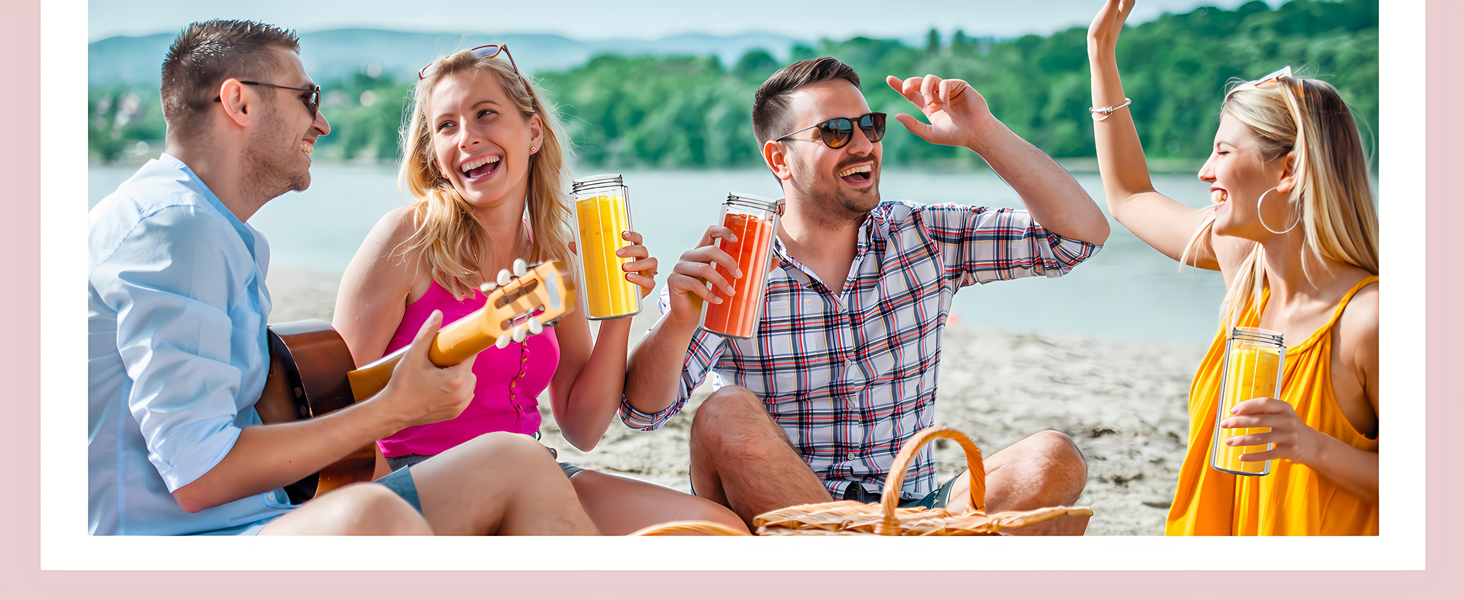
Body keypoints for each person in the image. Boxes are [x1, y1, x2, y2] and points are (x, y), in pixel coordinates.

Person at [88, 20, 598, 536]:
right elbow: (199, 473)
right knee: (403, 502)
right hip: (191, 543)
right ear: (240, 104)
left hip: (257, 518)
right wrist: (392, 409)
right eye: (307, 98)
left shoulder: (210, 231)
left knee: (517, 468)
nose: (323, 123)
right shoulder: (178, 228)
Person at [620, 57, 1111, 534]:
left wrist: (982, 134)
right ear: (779, 159)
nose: (862, 145)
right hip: (788, 511)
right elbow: (643, 412)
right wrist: (680, 318)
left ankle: (881, 565)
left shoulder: (924, 234)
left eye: (870, 126)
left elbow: (1076, 238)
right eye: (835, 131)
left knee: (1053, 458)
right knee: (723, 411)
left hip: (913, 512)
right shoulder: (736, 261)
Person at [332, 45, 747, 535]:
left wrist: (620, 311)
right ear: (435, 155)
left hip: (535, 471)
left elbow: (583, 428)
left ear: (532, 133)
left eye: (485, 114)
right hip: (414, 482)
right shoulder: (406, 238)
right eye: (446, 126)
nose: (467, 137)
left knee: (714, 531)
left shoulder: (552, 255)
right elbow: (331, 402)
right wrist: (397, 516)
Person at [1087, 0, 1379, 535]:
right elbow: (1129, 196)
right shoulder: (1243, 266)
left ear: (1288, 169)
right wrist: (1101, 54)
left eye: (1222, 151)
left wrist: (1311, 445)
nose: (1203, 172)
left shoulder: (1368, 321)